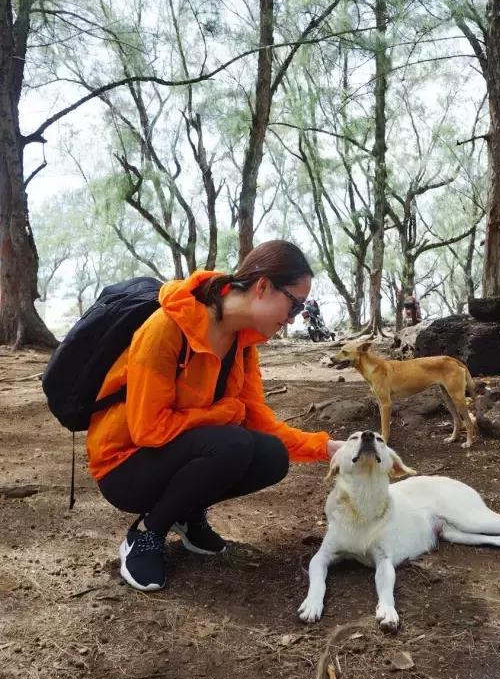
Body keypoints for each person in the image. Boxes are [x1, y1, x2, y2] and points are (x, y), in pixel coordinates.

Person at [87, 240, 343, 592]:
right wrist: (224, 412)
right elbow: (148, 429)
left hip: (172, 453)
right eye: (295, 304)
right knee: (232, 443)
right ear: (263, 286)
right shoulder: (167, 327)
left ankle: (186, 513)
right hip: (123, 465)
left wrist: (325, 448)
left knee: (271, 455)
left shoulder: (242, 344)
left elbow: (258, 421)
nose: (294, 317)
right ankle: (147, 533)